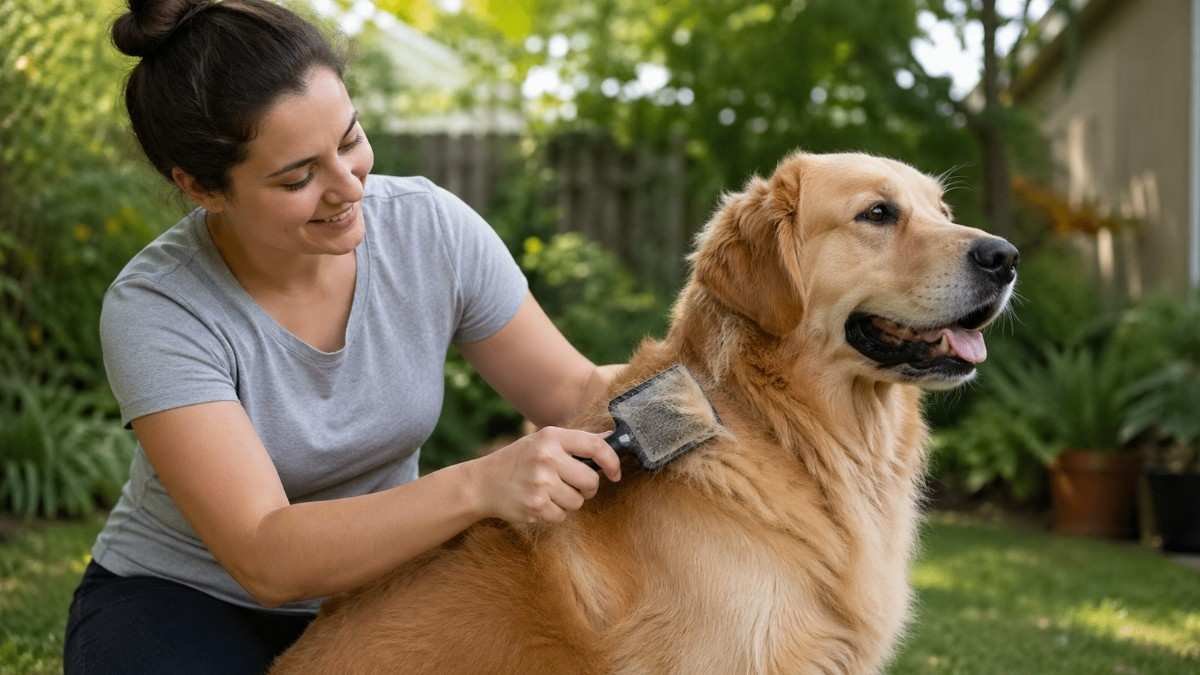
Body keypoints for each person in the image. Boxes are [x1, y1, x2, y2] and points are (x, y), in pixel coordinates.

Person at [62, 1, 624, 672]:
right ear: (201, 187)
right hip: (183, 600)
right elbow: (265, 553)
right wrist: (483, 484)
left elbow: (575, 389)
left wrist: (715, 390)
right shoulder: (159, 306)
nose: (347, 185)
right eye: (298, 175)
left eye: (350, 139)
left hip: (384, 588)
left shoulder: (429, 230)